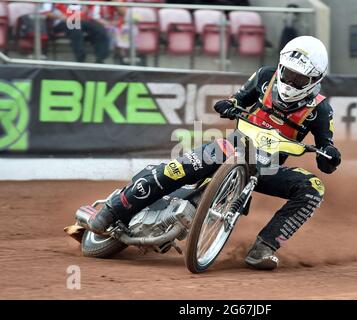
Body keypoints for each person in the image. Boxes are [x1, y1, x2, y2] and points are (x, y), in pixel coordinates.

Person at [87, 36, 342, 270]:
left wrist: (329, 155)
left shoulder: (321, 110)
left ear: (315, 80)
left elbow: (326, 147)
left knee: (313, 188)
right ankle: (114, 209)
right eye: (287, 73)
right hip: (231, 147)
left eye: (298, 79)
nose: (289, 82)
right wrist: (229, 104)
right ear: (280, 66)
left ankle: (264, 247)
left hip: (269, 167)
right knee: (176, 169)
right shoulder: (265, 76)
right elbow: (238, 99)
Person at [44, 2, 110, 63]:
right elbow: (46, 12)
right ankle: (81, 59)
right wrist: (60, 17)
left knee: (98, 28)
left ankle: (100, 59)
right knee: (75, 27)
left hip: (80, 20)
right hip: (61, 23)